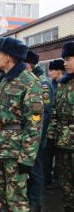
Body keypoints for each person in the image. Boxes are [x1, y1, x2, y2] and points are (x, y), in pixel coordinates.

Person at [0, 37, 44, 212]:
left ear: (8, 57)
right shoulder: (4, 81)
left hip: (16, 152)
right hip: (0, 148)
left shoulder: (30, 83)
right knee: (3, 196)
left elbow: (35, 123)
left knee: (17, 199)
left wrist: (27, 159)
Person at [24, 50, 54, 212]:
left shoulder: (42, 83)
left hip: (37, 135)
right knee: (29, 169)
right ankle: (29, 198)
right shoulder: (29, 80)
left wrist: (38, 137)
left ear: (28, 64)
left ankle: (36, 202)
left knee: (36, 169)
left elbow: (45, 112)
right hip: (29, 135)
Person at [49, 41, 74, 212]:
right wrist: (51, 135)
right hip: (64, 142)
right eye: (64, 59)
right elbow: (55, 113)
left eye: (68, 59)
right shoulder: (63, 84)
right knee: (66, 183)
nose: (65, 63)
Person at [44, 59, 65, 190]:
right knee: (47, 155)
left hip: (62, 128)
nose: (50, 73)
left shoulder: (66, 85)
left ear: (59, 71)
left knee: (60, 157)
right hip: (50, 127)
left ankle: (58, 180)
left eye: (52, 70)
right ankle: (47, 180)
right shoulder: (49, 85)